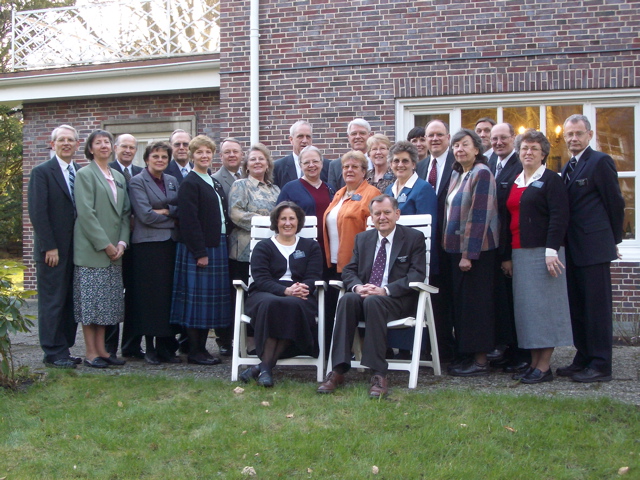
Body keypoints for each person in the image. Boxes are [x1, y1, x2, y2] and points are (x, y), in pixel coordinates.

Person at [317, 194, 427, 398]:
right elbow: (349, 270)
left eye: (387, 212)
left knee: (375, 301)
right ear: (371, 218)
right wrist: (358, 287)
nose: (382, 217)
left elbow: (417, 274)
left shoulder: (413, 238)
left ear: (397, 214)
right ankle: (338, 370)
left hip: (396, 301)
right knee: (347, 299)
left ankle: (378, 373)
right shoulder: (363, 239)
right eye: (377, 213)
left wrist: (385, 290)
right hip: (366, 298)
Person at [558, 114, 625, 383]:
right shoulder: (568, 167)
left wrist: (612, 240)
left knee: (596, 308)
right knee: (579, 305)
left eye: (578, 133)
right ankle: (583, 357)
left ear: (590, 134)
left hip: (595, 247)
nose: (573, 138)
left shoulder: (600, 162)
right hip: (573, 249)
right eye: (569, 135)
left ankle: (600, 364)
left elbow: (615, 203)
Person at [502, 129, 572, 384]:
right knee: (527, 312)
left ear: (543, 154)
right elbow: (508, 219)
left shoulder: (552, 180)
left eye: (534, 149)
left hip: (545, 254)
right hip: (519, 253)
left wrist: (551, 250)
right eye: (524, 148)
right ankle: (532, 363)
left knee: (545, 311)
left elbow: (559, 216)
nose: (528, 152)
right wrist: (507, 255)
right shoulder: (516, 180)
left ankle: (544, 367)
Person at [240, 202, 323, 387]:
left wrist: (302, 288)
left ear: (298, 221)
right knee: (275, 304)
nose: (287, 223)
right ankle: (265, 369)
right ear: (276, 221)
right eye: (283, 218)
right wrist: (285, 291)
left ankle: (263, 369)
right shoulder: (263, 247)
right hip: (265, 293)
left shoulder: (311, 247)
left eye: (292, 218)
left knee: (292, 305)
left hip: (301, 295)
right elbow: (260, 278)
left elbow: (314, 276)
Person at [170, 135, 232, 365]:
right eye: (199, 152)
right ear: (192, 155)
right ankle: (195, 351)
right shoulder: (190, 182)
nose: (204, 156)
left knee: (209, 303)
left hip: (217, 244)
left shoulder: (212, 181)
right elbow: (189, 221)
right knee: (197, 302)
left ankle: (202, 350)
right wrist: (200, 252)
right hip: (201, 248)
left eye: (208, 152)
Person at [443, 129, 499, 377]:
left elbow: (479, 217)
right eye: (455, 145)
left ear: (477, 149)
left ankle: (480, 361)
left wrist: (468, 255)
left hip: (477, 253)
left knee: (477, 308)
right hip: (455, 251)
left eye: (464, 144)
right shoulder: (458, 174)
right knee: (463, 307)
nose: (459, 149)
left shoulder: (482, 173)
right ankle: (467, 356)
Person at [73, 129, 131, 368]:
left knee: (106, 303)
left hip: (115, 252)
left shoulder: (117, 176)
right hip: (92, 250)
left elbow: (126, 213)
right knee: (91, 305)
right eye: (99, 143)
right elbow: (86, 214)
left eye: (107, 142)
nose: (104, 146)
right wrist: (105, 245)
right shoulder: (85, 174)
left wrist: (121, 243)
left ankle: (103, 351)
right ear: (90, 148)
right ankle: (90, 352)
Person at [28, 124, 82, 369]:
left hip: (76, 249)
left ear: (77, 145)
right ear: (53, 144)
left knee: (70, 301)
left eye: (71, 140)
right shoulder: (42, 172)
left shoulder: (80, 172)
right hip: (53, 251)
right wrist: (49, 247)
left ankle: (64, 348)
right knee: (53, 301)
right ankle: (52, 351)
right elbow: (38, 212)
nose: (66, 143)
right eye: (62, 140)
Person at [128, 141, 181, 365]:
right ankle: (149, 348)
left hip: (170, 246)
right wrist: (170, 216)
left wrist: (165, 211)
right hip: (147, 248)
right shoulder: (137, 181)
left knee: (168, 297)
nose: (160, 160)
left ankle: (166, 348)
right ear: (147, 158)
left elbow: (181, 209)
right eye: (155, 156)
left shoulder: (172, 181)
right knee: (150, 298)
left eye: (164, 157)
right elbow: (145, 216)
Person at [487, 123, 531, 374]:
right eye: (494, 139)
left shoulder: (519, 167)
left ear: (513, 139)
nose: (498, 142)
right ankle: (509, 351)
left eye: (503, 138)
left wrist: (506, 255)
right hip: (495, 248)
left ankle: (522, 354)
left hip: (511, 247)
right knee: (503, 304)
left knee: (518, 304)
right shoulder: (492, 164)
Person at [415, 119, 457, 362]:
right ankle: (433, 348)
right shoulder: (420, 167)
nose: (434, 139)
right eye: (430, 135)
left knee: (449, 300)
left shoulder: (457, 164)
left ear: (448, 138)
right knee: (434, 299)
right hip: (427, 246)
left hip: (450, 241)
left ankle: (451, 351)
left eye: (439, 135)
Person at [105, 133, 144, 359]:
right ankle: (108, 347)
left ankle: (131, 346)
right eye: (124, 147)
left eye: (132, 147)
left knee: (134, 296)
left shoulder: (140, 173)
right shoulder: (106, 170)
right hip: (112, 243)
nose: (128, 150)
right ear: (115, 148)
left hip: (137, 244)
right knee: (112, 294)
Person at [228, 143, 281, 285]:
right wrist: (264, 222)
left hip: (270, 249)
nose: (257, 162)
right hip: (244, 252)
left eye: (261, 159)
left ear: (268, 164)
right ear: (246, 166)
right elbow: (235, 213)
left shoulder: (275, 189)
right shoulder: (241, 185)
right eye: (253, 159)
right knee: (243, 295)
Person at [323, 150, 381, 274]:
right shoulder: (339, 193)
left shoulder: (372, 193)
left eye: (355, 167)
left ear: (364, 172)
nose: (349, 170)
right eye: (346, 167)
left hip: (356, 265)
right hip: (333, 262)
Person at [277, 145, 334, 262]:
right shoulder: (290, 188)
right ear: (300, 165)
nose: (311, 165)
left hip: (328, 246)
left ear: (322, 164)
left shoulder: (330, 189)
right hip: (300, 248)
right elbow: (279, 218)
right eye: (306, 162)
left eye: (315, 161)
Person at [273, 120, 330, 188]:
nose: (305, 141)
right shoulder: (278, 167)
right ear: (291, 140)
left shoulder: (327, 166)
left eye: (308, 137)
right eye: (300, 136)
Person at [328, 118, 374, 190]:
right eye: (354, 134)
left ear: (370, 135)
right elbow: (333, 195)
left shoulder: (379, 162)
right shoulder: (335, 166)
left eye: (362, 133)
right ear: (348, 137)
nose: (358, 137)